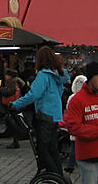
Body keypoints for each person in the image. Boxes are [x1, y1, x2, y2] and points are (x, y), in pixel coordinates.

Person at [10, 46, 69, 175]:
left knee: (42, 149)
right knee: (53, 148)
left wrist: (15, 104)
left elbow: (34, 94)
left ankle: (52, 174)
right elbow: (59, 93)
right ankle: (58, 175)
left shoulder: (43, 75)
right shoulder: (57, 76)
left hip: (44, 115)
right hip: (55, 115)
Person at [62, 74, 87, 174]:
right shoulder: (85, 97)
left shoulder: (72, 97)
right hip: (82, 126)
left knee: (74, 147)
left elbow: (68, 109)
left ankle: (70, 165)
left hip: (75, 126)